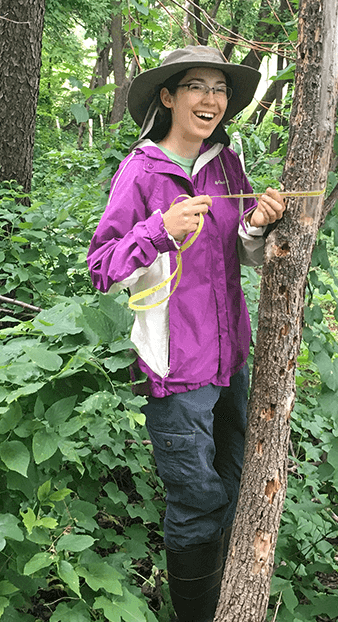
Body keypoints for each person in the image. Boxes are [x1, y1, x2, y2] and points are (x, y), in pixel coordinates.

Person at [87, 46, 285, 622]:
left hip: (231, 359)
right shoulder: (142, 171)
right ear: (168, 97)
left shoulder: (227, 165)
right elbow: (103, 266)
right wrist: (158, 229)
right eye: (196, 86)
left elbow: (242, 253)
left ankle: (229, 596)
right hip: (177, 369)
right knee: (196, 501)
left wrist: (256, 223)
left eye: (220, 89)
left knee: (234, 476)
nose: (211, 100)